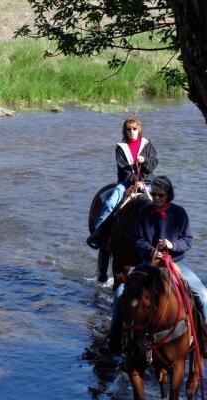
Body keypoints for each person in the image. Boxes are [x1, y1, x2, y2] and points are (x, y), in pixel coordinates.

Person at [105, 176, 207, 355]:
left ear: (169, 195)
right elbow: (138, 239)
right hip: (148, 262)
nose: (157, 198)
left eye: (161, 195)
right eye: (154, 194)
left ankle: (204, 339)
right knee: (120, 293)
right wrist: (152, 251)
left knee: (203, 294)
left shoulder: (180, 213)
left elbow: (187, 240)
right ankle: (113, 343)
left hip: (175, 262)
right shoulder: (144, 213)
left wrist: (171, 246)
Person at [87, 117, 158, 249]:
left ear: (139, 129)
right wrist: (134, 182)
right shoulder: (121, 148)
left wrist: (145, 161)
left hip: (146, 182)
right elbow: (124, 170)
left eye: (134, 129)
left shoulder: (147, 144)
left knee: (160, 204)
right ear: (125, 131)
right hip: (126, 182)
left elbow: (154, 163)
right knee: (111, 202)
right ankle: (98, 233)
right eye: (129, 129)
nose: (132, 131)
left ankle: (161, 238)